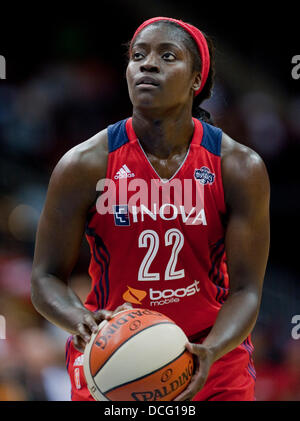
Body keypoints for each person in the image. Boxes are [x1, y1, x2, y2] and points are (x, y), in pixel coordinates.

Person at [31, 17, 270, 401]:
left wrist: (212, 350)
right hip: (113, 355)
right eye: (138, 55)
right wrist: (82, 322)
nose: (147, 64)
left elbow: (246, 291)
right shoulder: (84, 164)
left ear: (196, 80)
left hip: (212, 359)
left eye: (167, 55)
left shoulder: (238, 167)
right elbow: (44, 277)